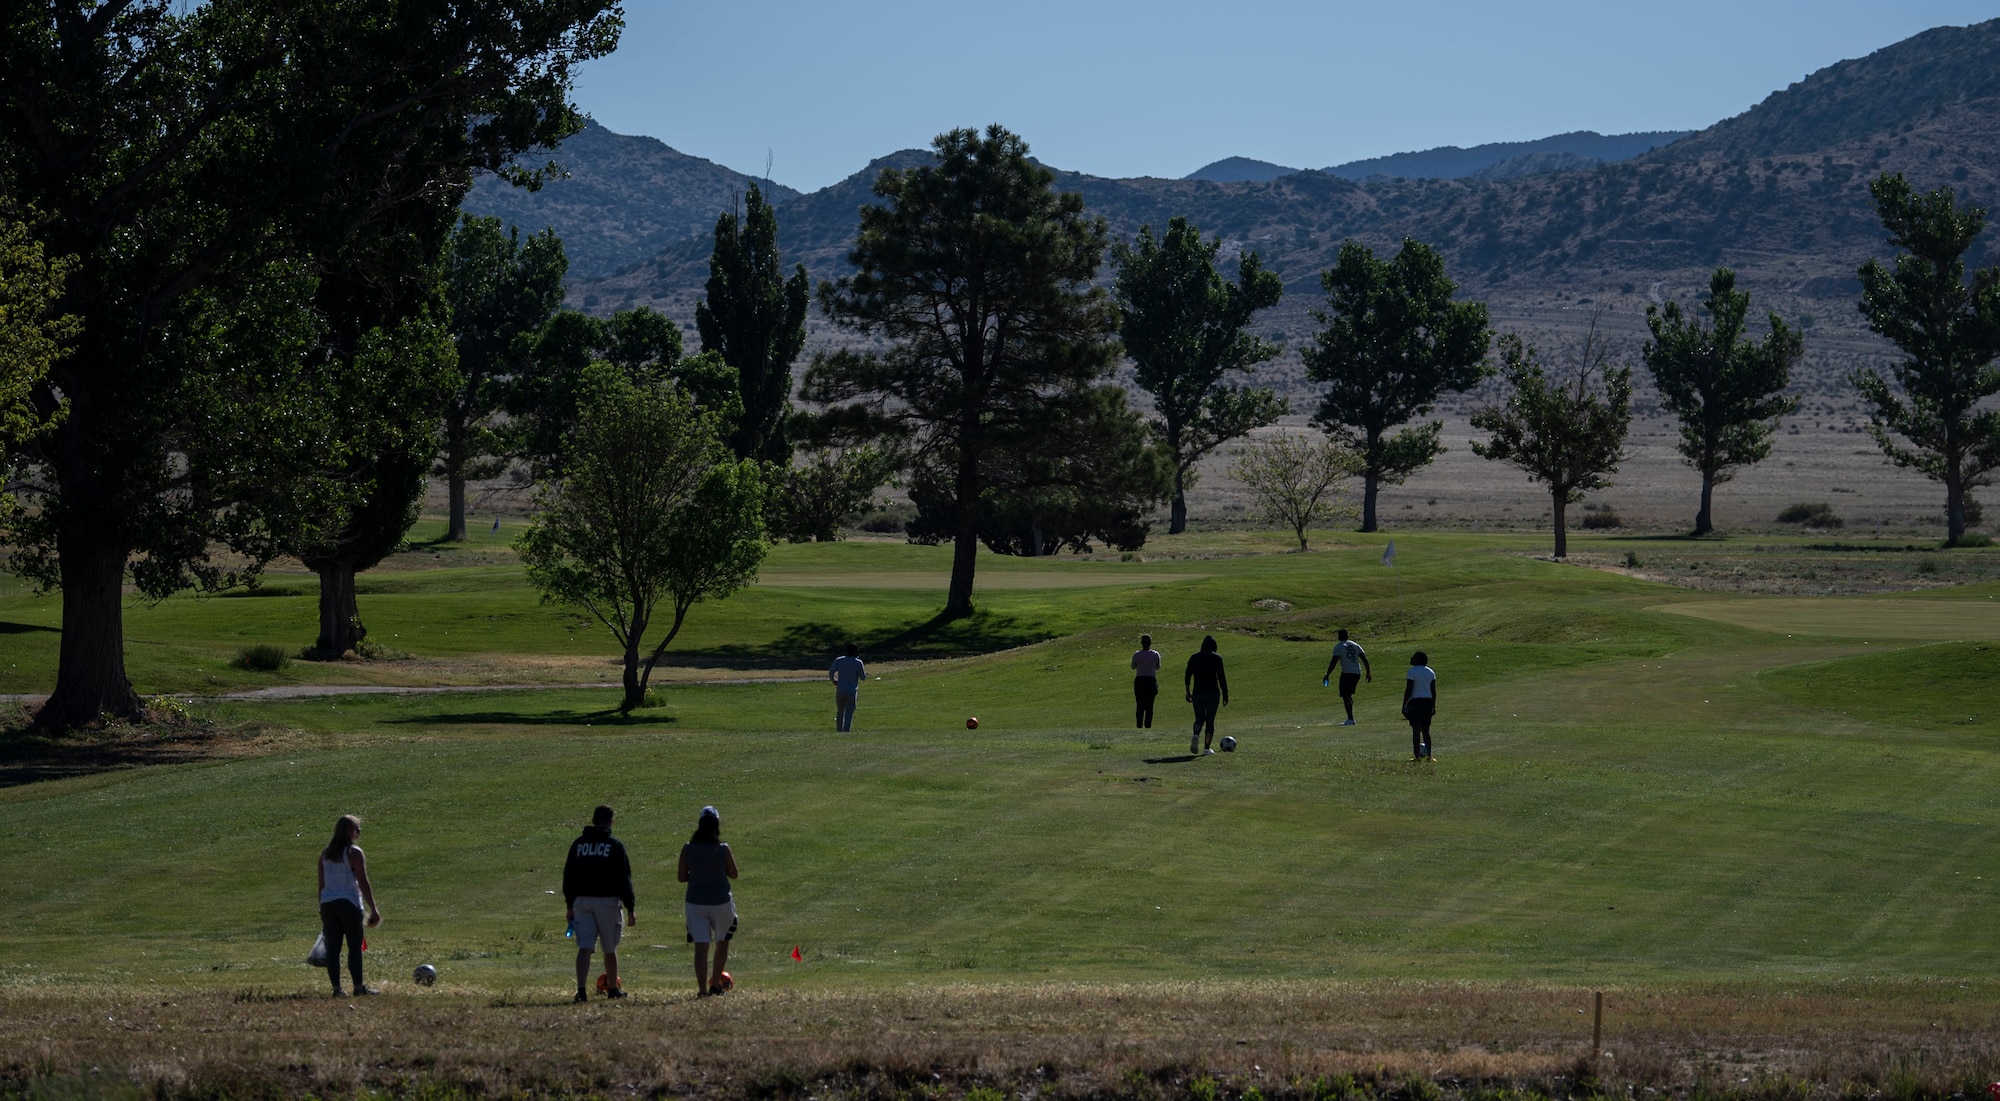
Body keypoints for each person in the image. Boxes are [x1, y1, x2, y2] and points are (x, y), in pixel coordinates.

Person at [563, 804, 636, 1002]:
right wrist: (630, 907)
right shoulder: (614, 846)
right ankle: (613, 988)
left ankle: (581, 991)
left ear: (593, 820)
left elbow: (568, 876)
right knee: (609, 947)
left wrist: (570, 904)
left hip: (582, 900)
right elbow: (624, 878)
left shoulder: (578, 845)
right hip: (607, 901)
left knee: (585, 946)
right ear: (610, 822)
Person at [316, 813, 381, 997]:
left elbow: (321, 884)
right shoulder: (354, 853)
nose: (358, 834)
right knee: (354, 947)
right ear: (349, 831)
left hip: (329, 904)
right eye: (357, 830)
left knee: (333, 949)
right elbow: (362, 881)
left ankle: (337, 989)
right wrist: (373, 909)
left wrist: (322, 905)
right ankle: (358, 987)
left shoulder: (325, 854)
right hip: (349, 903)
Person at [678, 805, 740, 997]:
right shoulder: (722, 849)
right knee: (722, 941)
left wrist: (698, 876)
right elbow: (734, 874)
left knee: (701, 947)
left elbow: (681, 877)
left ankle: (702, 990)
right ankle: (715, 985)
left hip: (696, 902)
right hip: (720, 901)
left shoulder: (688, 849)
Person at [1183, 634, 1228, 755]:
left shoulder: (1194, 658)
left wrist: (1188, 691)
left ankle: (1196, 734)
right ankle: (1206, 748)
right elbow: (1221, 677)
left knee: (1199, 718)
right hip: (1213, 692)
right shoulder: (1217, 658)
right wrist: (1225, 694)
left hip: (1198, 692)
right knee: (1210, 720)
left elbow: (1187, 675)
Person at [1321, 628, 1372, 726]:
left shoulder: (1339, 647)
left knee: (1345, 695)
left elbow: (1334, 662)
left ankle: (1350, 718)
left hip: (1347, 673)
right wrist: (1368, 672)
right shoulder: (1355, 645)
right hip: (1357, 672)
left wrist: (1327, 674)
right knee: (1348, 695)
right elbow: (1364, 659)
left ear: (1339, 636)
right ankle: (1350, 717)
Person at [1403, 650, 1438, 761]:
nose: (1411, 658)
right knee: (1426, 730)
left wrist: (1404, 705)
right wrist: (1433, 705)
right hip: (1427, 702)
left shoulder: (1412, 671)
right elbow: (1433, 691)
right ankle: (1429, 755)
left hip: (1416, 702)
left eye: (1413, 657)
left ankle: (1417, 756)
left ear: (1419, 660)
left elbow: (1409, 689)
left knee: (1416, 730)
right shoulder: (1430, 672)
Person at [829, 643, 866, 732]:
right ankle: (846, 730)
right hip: (851, 690)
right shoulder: (858, 662)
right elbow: (863, 677)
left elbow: (831, 672)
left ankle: (839, 729)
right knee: (849, 712)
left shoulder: (839, 660)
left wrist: (834, 680)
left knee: (840, 711)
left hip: (840, 689)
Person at [1130, 634, 1162, 729]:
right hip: (1151, 680)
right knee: (1150, 705)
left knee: (1139, 704)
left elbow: (1133, 667)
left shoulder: (1137, 655)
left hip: (1140, 680)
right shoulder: (1155, 654)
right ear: (1150, 643)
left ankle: (1139, 725)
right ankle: (1148, 725)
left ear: (1142, 643)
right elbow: (1158, 667)